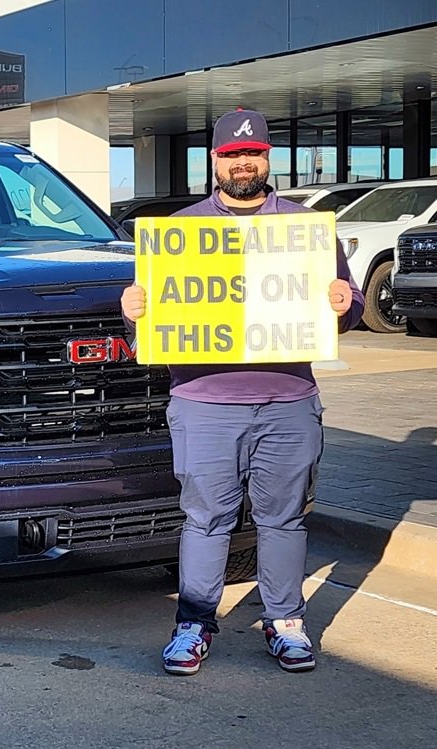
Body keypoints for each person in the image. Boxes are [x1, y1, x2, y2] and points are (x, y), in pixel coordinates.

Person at [120, 108, 365, 675]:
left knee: (284, 520)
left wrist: (342, 304)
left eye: (252, 153)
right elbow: (148, 331)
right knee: (205, 520)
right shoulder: (180, 234)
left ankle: (285, 623)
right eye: (232, 155)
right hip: (203, 403)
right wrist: (133, 314)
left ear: (268, 158)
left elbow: (348, 306)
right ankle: (194, 625)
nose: (243, 163)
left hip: (289, 401)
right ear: (215, 161)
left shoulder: (305, 230)